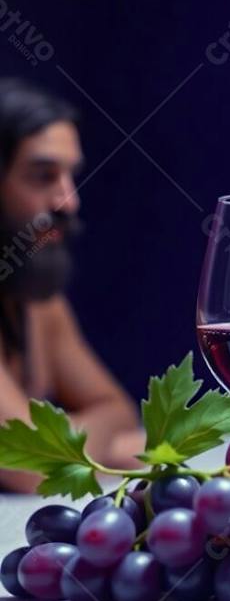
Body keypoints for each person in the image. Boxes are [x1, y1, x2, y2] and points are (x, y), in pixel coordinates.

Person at [0, 78, 143, 492]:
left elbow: (119, 410)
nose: (68, 201)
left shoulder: (38, 301)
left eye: (70, 175)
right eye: (43, 176)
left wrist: (67, 445)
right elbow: (33, 465)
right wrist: (102, 447)